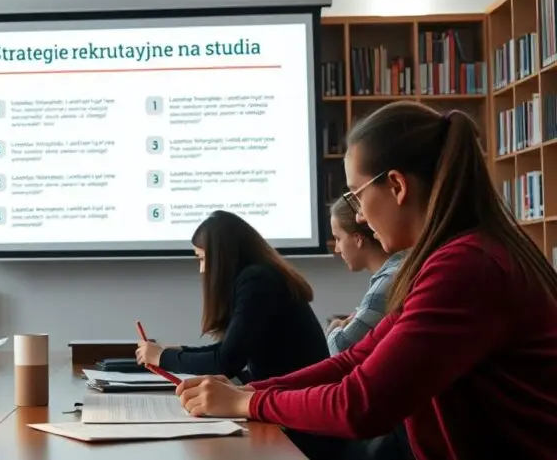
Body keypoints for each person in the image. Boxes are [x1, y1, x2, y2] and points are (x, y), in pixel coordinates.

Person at [176, 103, 557, 460]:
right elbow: (355, 359)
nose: (358, 217)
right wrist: (249, 390)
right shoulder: (458, 256)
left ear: (397, 186)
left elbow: (360, 406)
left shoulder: (465, 267)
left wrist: (245, 402)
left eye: (357, 196)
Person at [135, 210, 329, 383]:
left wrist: (162, 357)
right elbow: (231, 350)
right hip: (293, 394)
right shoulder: (260, 276)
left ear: (221, 257)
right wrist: (178, 352)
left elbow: (226, 362)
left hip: (298, 401)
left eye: (202, 258)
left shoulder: (257, 281)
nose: (202, 269)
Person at [326, 196, 406, 355]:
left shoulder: (387, 282)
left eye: (338, 238)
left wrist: (335, 326)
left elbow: (340, 348)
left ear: (358, 239)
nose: (337, 249)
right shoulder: (396, 271)